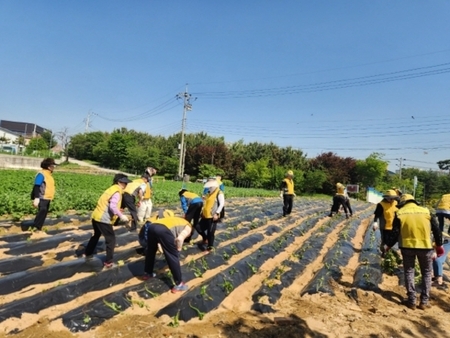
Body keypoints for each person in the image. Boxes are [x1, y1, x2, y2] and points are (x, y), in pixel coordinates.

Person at [385, 194, 443, 310]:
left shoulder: (400, 213)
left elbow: (395, 233)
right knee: (426, 273)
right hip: (425, 247)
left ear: (403, 203)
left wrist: (388, 246)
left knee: (409, 272)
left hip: (407, 247)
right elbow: (437, 230)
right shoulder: (426, 211)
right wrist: (439, 245)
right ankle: (424, 302)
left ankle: (411, 301)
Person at [85, 174, 131, 268]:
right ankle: (109, 262)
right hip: (103, 219)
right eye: (124, 183)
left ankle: (88, 253)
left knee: (96, 235)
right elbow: (112, 206)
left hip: (96, 216)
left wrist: (118, 211)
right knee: (111, 240)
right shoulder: (117, 192)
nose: (126, 184)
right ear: (119, 182)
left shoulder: (111, 189)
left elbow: (108, 204)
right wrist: (121, 216)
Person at [140, 209, 192, 293]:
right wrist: (178, 249)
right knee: (172, 256)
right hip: (163, 230)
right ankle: (179, 284)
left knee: (151, 251)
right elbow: (179, 238)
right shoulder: (188, 227)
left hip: (152, 227)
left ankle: (147, 273)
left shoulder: (177, 221)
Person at [30, 158, 57, 230]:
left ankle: (38, 227)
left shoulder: (49, 175)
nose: (54, 167)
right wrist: (36, 197)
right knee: (42, 212)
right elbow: (37, 185)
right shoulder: (41, 174)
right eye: (53, 166)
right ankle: (36, 228)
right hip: (42, 197)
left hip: (47, 198)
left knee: (44, 213)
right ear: (49, 167)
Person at [198, 180, 225, 252]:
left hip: (213, 216)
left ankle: (210, 247)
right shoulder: (210, 193)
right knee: (198, 227)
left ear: (214, 186)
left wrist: (217, 213)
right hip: (205, 215)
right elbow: (209, 202)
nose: (209, 188)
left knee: (210, 232)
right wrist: (205, 198)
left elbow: (221, 204)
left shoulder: (219, 193)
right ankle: (205, 238)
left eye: (210, 187)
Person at [372, 189, 399, 254]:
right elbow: (377, 215)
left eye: (393, 198)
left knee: (393, 240)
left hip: (394, 227)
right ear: (386, 198)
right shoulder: (381, 205)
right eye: (390, 198)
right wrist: (375, 223)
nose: (392, 200)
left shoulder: (396, 203)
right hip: (385, 227)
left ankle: (389, 251)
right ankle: (383, 252)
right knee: (385, 241)